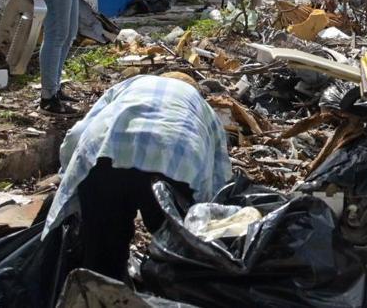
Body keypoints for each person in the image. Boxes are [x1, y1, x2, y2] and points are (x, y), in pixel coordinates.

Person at [41, 74, 232, 282]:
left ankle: (102, 294)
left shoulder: (131, 85)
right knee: (177, 253)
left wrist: (70, 176)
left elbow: (78, 134)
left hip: (106, 154)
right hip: (175, 161)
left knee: (104, 253)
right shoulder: (203, 108)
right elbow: (219, 174)